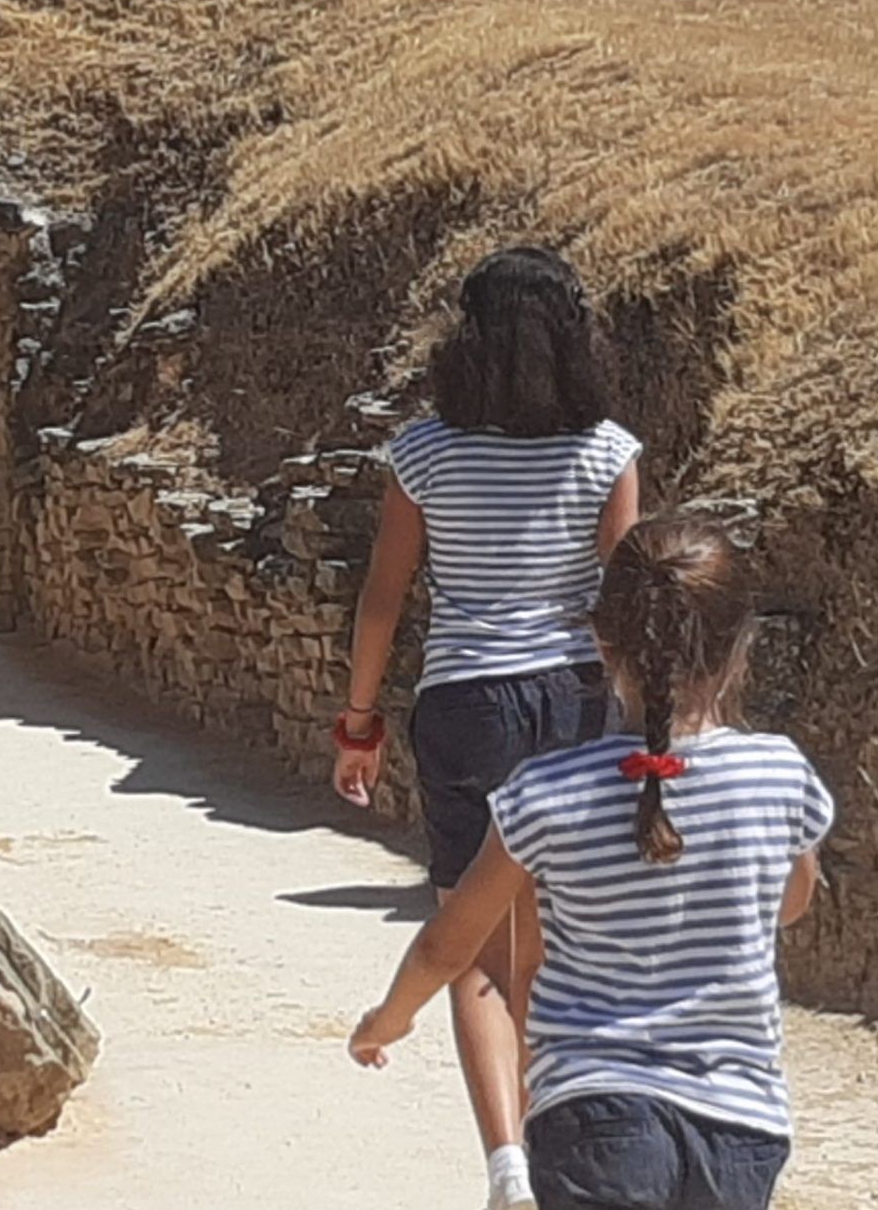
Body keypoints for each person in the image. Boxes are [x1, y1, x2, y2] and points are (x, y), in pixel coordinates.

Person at [347, 513, 834, 1210]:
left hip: (593, 1114)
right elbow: (790, 902)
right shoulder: (780, 775)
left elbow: (452, 943)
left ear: (601, 644)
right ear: (740, 649)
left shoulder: (548, 791)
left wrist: (390, 1018)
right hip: (738, 1121)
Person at [332, 244, 642, 1210]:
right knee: (561, 943)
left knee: (474, 941)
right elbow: (631, 606)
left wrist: (358, 721)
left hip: (466, 701)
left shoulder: (425, 449)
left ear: (469, 336)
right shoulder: (608, 452)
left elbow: (384, 598)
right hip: (579, 704)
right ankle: (565, 1145)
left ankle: (507, 1166)